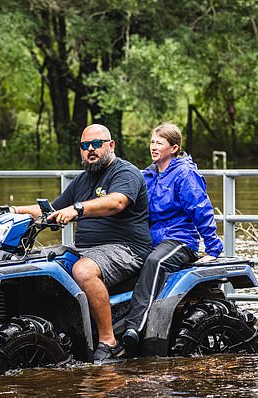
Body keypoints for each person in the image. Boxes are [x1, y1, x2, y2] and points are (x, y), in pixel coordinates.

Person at [11, 124, 152, 362]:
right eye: (85, 146)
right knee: (40, 265)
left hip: (127, 248)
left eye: (96, 144)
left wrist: (78, 209)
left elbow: (116, 202)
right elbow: (51, 210)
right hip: (88, 249)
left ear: (111, 145)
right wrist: (15, 211)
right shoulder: (82, 181)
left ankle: (109, 342)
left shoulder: (125, 173)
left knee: (83, 270)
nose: (90, 150)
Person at [122, 122, 223, 350]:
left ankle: (135, 326)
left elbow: (200, 208)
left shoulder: (184, 174)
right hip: (152, 240)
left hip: (180, 240)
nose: (153, 147)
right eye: (152, 142)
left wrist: (213, 248)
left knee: (155, 262)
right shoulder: (147, 176)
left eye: (159, 143)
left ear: (174, 148)